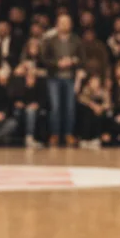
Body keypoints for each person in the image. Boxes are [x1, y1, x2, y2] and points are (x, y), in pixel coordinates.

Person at [41, 13, 83, 147]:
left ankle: (69, 134)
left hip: (70, 77)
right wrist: (57, 63)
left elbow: (82, 58)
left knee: (70, 107)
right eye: (62, 22)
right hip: (54, 77)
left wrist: (73, 61)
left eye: (67, 22)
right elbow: (44, 59)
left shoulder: (76, 40)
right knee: (56, 106)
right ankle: (55, 134)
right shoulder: (50, 40)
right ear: (57, 24)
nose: (65, 25)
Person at [10, 63, 45, 148]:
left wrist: (38, 104)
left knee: (30, 111)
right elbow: (14, 98)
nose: (30, 76)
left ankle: (29, 138)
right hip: (21, 109)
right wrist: (19, 103)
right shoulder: (19, 82)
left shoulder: (40, 83)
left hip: (35, 109)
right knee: (21, 112)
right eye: (28, 74)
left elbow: (44, 100)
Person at [77, 74, 111, 148]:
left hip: (100, 111)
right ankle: (85, 138)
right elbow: (81, 99)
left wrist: (101, 107)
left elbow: (108, 103)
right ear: (89, 82)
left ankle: (96, 137)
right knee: (87, 114)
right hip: (89, 110)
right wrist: (93, 105)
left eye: (97, 81)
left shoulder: (103, 91)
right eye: (93, 81)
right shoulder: (86, 90)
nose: (95, 83)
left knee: (103, 115)